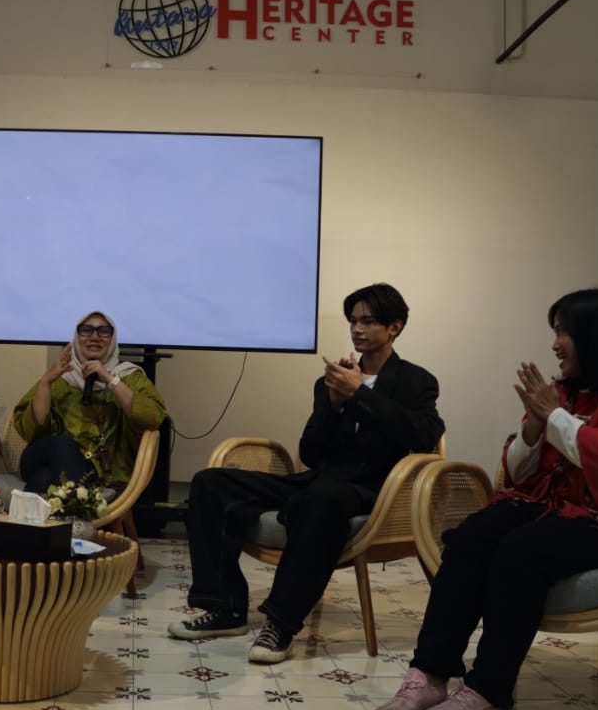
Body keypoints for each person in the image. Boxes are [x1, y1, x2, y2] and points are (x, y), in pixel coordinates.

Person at [373, 288, 598, 710]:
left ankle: (490, 691)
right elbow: (519, 473)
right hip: (557, 505)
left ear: (595, 336)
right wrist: (536, 427)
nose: (555, 345)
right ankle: (429, 674)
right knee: (471, 537)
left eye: (563, 333)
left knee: (522, 551)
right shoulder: (562, 393)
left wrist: (554, 417)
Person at [168, 283, 444, 664]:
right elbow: (311, 454)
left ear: (394, 327)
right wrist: (334, 404)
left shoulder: (416, 381)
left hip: (373, 490)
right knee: (209, 482)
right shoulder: (331, 381)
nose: (357, 329)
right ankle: (225, 607)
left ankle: (280, 623)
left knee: (323, 498)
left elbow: (424, 435)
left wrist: (360, 395)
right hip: (319, 481)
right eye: (353, 321)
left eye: (368, 321)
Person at [13, 311, 166, 493]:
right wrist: (45, 382)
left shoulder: (129, 377)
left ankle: (64, 506)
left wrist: (109, 379)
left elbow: (152, 418)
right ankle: (79, 504)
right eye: (86, 330)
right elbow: (31, 431)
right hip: (45, 457)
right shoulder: (62, 377)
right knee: (62, 444)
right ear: (76, 338)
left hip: (97, 472)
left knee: (42, 480)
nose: (94, 337)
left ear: (113, 339)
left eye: (103, 331)